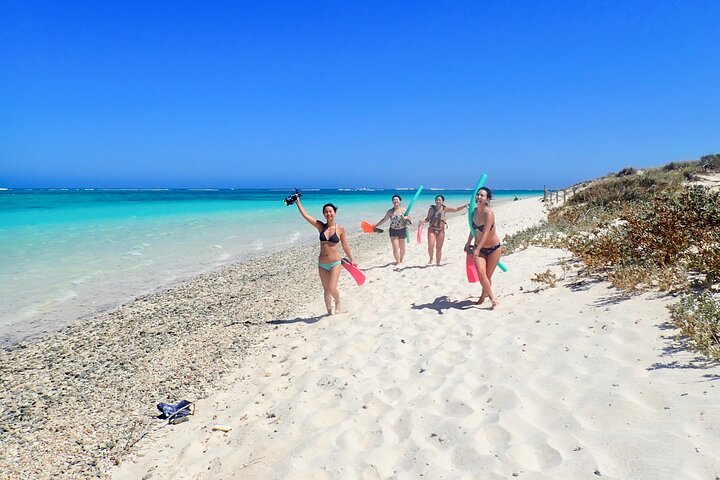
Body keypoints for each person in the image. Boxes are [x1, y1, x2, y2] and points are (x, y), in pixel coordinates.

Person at [294, 196, 356, 315]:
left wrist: (352, 260)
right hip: (322, 264)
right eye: (326, 212)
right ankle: (328, 311)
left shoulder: (340, 228)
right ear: (323, 214)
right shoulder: (321, 227)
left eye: (330, 211)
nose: (328, 213)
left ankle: (338, 302)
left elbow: (345, 246)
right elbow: (306, 216)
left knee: (332, 287)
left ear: (334, 212)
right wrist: (298, 202)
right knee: (326, 289)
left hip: (335, 263)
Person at [465, 187, 502, 309]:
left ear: (487, 199)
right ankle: (492, 298)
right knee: (481, 273)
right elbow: (473, 229)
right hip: (479, 248)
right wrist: (468, 242)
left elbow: (485, 233)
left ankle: (483, 296)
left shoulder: (489, 213)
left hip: (493, 249)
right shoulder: (473, 212)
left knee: (487, 275)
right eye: (477, 195)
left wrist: (477, 249)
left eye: (482, 195)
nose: (479, 197)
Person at [420, 195, 469, 266]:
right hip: (432, 229)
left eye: (439, 200)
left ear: (442, 201)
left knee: (439, 248)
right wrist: (422, 222)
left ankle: (438, 263)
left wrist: (464, 206)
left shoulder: (445, 209)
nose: (438, 201)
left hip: (441, 230)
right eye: (437, 200)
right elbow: (428, 219)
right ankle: (431, 258)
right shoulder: (431, 209)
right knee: (431, 245)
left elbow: (456, 209)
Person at [374, 194, 411, 266]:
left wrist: (407, 218)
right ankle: (398, 262)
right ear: (392, 202)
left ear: (400, 201)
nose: (395, 201)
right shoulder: (390, 211)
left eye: (397, 199)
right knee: (395, 247)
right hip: (393, 230)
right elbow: (384, 220)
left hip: (402, 230)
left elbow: (410, 218)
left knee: (402, 247)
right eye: (394, 200)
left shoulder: (404, 210)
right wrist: (375, 225)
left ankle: (401, 259)